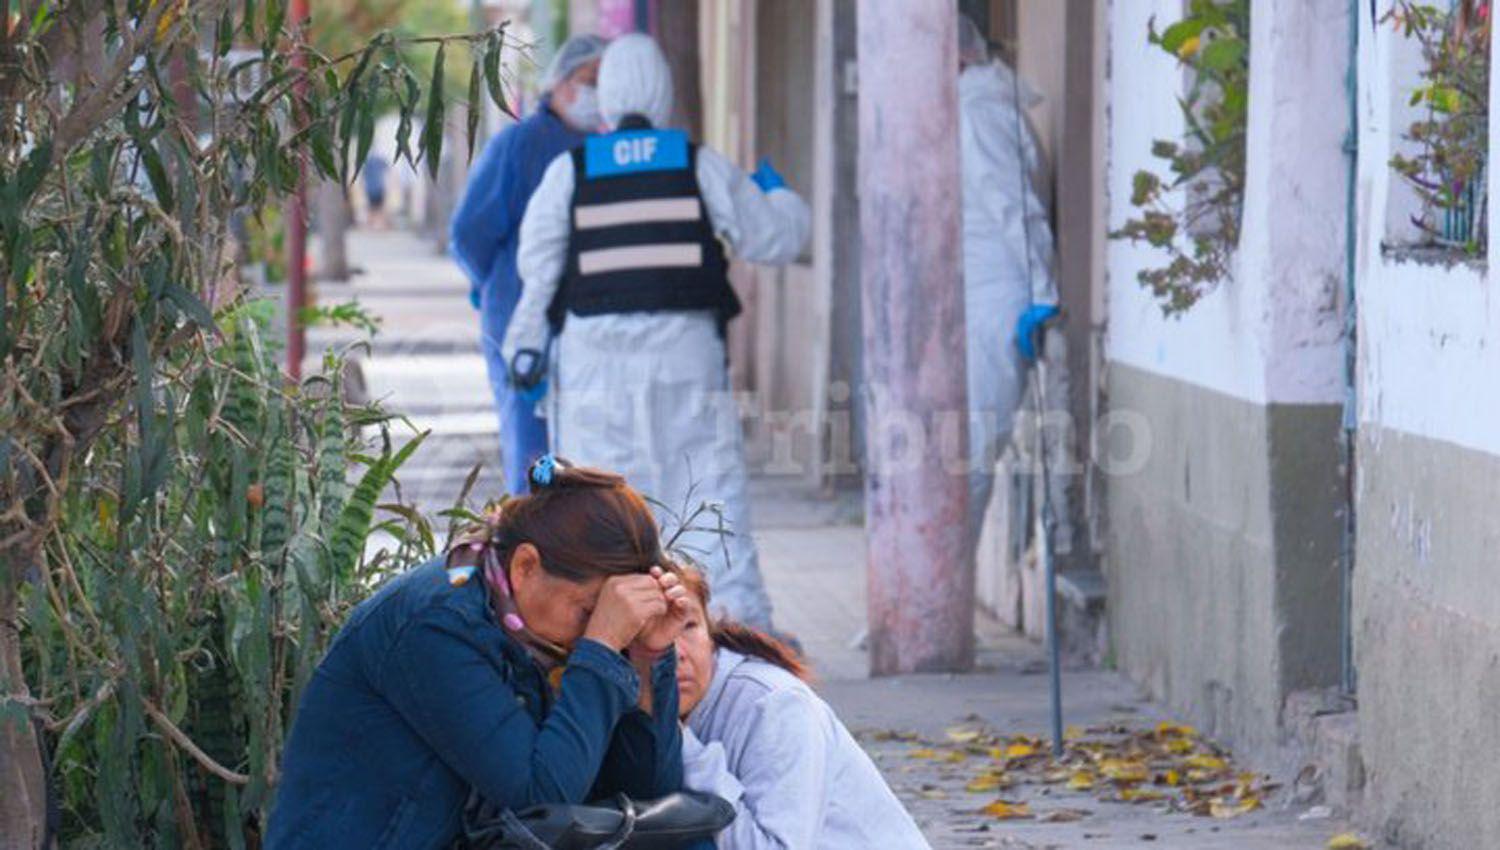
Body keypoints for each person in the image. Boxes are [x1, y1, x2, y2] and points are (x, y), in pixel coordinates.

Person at [502, 34, 810, 630]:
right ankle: (732, 631)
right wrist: (781, 197)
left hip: (593, 365)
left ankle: (602, 635)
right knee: (707, 493)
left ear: (607, 99)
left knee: (599, 507)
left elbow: (537, 276)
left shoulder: (571, 173)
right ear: (664, 94)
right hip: (684, 356)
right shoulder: (698, 164)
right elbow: (776, 238)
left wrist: (524, 353)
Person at [267, 456, 695, 850]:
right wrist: (599, 647)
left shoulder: (526, 624)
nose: (598, 627)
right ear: (525, 566)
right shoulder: (436, 624)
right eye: (588, 610)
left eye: (610, 615)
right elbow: (541, 795)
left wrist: (644, 656)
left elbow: (647, 794)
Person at [672, 566, 932, 849]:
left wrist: (682, 744)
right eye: (650, 634)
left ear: (709, 631)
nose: (677, 654)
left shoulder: (776, 704)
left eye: (689, 627)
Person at [451, 34, 609, 498]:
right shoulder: (522, 145)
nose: (596, 92)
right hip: (522, 315)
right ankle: (537, 545)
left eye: (605, 81)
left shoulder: (601, 147)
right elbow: (469, 233)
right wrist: (496, 286)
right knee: (533, 447)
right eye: (588, 80)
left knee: (583, 455)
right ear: (559, 83)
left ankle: (579, 550)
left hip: (584, 320)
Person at [957, 14, 1060, 551]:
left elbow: (1016, 212)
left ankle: (940, 603)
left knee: (967, 456)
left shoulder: (977, 116)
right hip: (982, 300)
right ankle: (938, 596)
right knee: (957, 456)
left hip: (1000, 302)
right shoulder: (978, 109)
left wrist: (1043, 295)